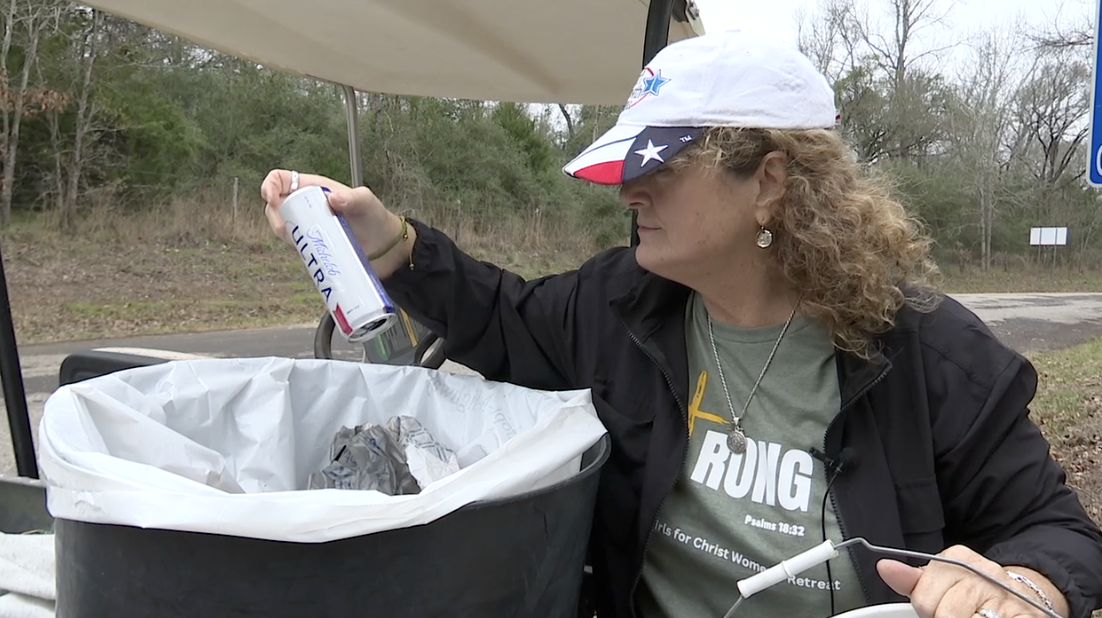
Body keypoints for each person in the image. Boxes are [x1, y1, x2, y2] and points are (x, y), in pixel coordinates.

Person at [261, 30, 1102, 618]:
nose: (628, 190)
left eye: (657, 165)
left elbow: (1061, 534)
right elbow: (503, 319)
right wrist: (394, 245)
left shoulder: (930, 356)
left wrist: (1019, 582)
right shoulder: (624, 302)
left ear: (769, 181)